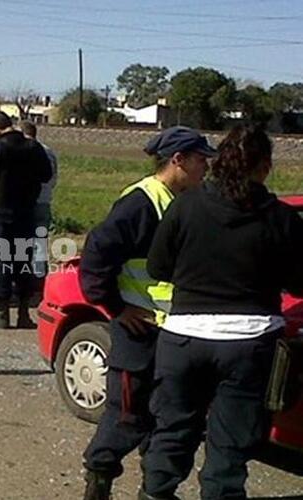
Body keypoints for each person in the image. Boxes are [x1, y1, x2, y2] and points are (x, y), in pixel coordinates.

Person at [139, 125, 303, 500]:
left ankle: (155, 493)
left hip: (183, 339)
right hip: (250, 343)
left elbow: (157, 267)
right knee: (230, 447)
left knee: (172, 431)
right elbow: (299, 283)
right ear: (264, 167)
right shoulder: (281, 219)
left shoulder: (186, 205)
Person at [79, 126, 216, 500]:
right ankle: (99, 481)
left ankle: (153, 489)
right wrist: (116, 308)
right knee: (126, 417)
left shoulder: (186, 198)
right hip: (139, 333)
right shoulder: (140, 203)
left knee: (167, 418)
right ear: (178, 160)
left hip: (173, 332)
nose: (207, 165)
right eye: (201, 159)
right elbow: (95, 258)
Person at [0, 111, 52, 329]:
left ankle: (2, 311)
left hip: (0, 212)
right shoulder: (33, 148)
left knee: (1, 262)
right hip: (26, 211)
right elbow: (46, 175)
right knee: (23, 261)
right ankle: (24, 312)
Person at [20, 120, 58, 277]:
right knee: (41, 239)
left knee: (23, 240)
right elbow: (53, 177)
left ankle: (26, 274)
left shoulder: (22, 151)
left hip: (25, 201)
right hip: (44, 200)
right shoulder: (48, 152)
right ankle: (40, 273)